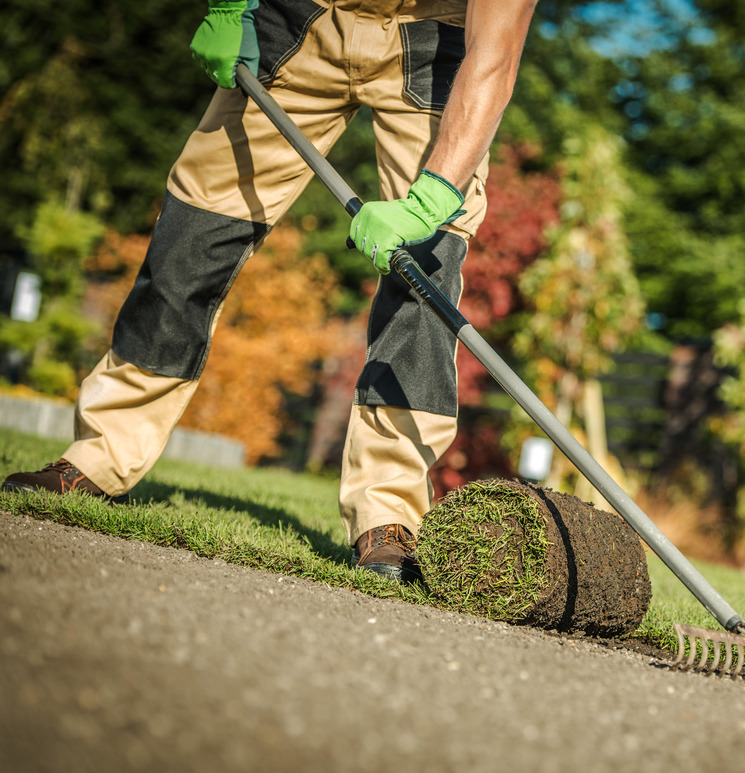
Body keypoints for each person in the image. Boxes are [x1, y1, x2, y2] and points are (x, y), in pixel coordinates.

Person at [2, 0, 538, 582]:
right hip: (303, 16)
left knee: (426, 267)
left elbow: (495, 54)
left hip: (435, 39)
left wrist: (432, 200)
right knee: (195, 232)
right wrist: (229, 6)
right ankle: (99, 457)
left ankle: (389, 517)